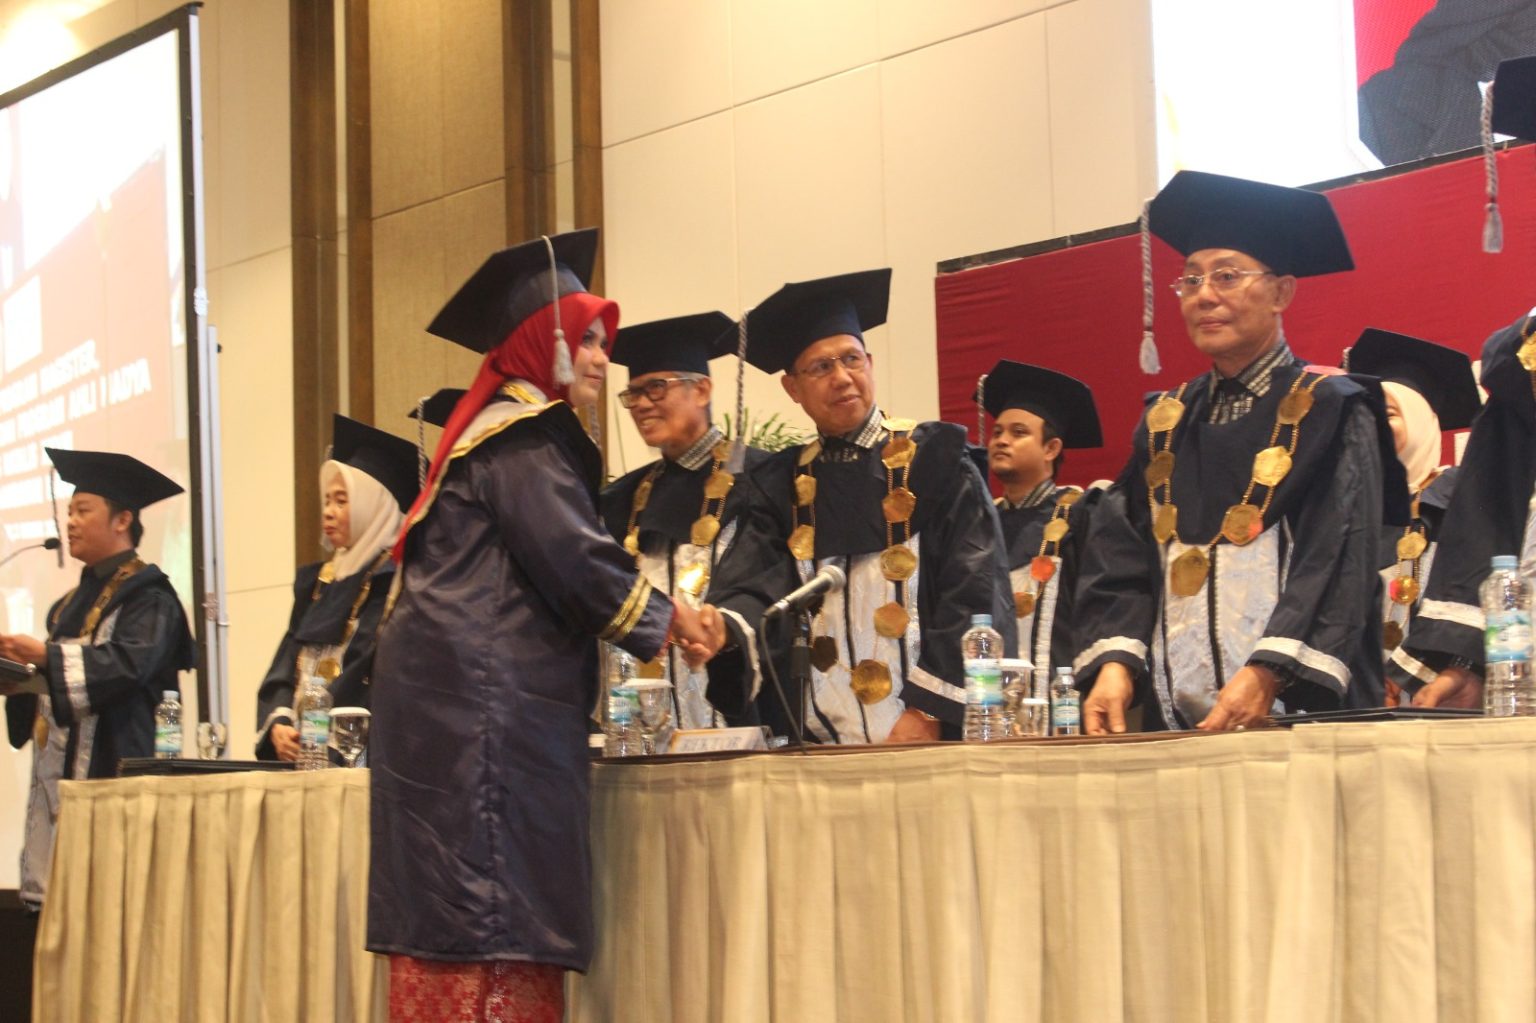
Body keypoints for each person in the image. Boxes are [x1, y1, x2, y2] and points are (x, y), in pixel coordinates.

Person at [365, 228, 718, 1022]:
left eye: (602, 342)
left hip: (456, 712)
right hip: (486, 718)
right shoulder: (521, 439)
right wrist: (668, 616)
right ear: (540, 344)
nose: (601, 359)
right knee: (492, 909)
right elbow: (576, 559)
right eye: (585, 340)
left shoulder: (489, 435)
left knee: (454, 912)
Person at [1073, 170, 1401, 734]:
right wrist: (1115, 666)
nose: (1204, 295)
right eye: (1191, 279)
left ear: (1281, 293)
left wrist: (1270, 671)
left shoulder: (1335, 409)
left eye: (1226, 275)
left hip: (1303, 721)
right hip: (1183, 729)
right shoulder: (1164, 423)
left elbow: (1338, 557)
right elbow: (1120, 558)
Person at [704, 269, 1016, 744]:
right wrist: (721, 624)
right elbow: (754, 582)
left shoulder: (936, 461)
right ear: (792, 388)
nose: (842, 378)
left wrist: (929, 712)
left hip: (926, 736)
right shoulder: (779, 485)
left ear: (869, 363)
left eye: (851, 359)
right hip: (817, 744)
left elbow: (975, 590)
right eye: (820, 367)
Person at [0, 449, 192, 908]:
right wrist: (20, 680)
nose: (70, 522)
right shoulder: (67, 604)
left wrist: (45, 657)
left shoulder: (151, 598)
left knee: (110, 903)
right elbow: (55, 681)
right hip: (60, 780)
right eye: (69, 511)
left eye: (83, 511)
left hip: (116, 772)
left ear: (122, 519)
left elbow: (126, 666)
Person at [600, 311, 767, 729]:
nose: (641, 404)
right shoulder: (622, 499)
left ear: (702, 390)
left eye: (656, 387)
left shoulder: (762, 478)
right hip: (643, 726)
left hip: (736, 722)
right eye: (633, 394)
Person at [254, 414, 417, 761]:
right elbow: (286, 660)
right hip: (302, 747)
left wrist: (316, 727)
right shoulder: (318, 581)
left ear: (375, 506)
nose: (328, 512)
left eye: (342, 501)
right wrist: (281, 721)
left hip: (358, 751)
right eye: (327, 500)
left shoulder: (394, 581)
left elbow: (367, 671)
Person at [1340, 330, 1479, 700]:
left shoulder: (1459, 500)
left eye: (1388, 414)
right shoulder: (1344, 512)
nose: (1375, 427)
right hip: (1357, 705)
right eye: (1366, 416)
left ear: (1420, 421)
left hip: (1443, 699)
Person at [981, 359, 1103, 679]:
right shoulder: (979, 524)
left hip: (1063, 696)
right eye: (997, 432)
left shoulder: (1082, 516)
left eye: (1018, 432)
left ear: (1051, 448)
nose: (1001, 440)